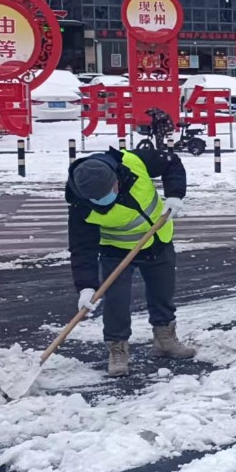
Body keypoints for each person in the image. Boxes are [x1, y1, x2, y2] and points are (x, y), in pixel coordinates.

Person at [66, 146, 194, 377]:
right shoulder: (80, 205)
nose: (103, 199)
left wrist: (175, 194)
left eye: (108, 191)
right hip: (116, 252)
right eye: (96, 198)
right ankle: (117, 348)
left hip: (157, 240)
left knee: (163, 292)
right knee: (116, 300)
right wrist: (86, 287)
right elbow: (82, 249)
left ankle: (164, 339)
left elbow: (171, 162)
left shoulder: (135, 161)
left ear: (116, 178)